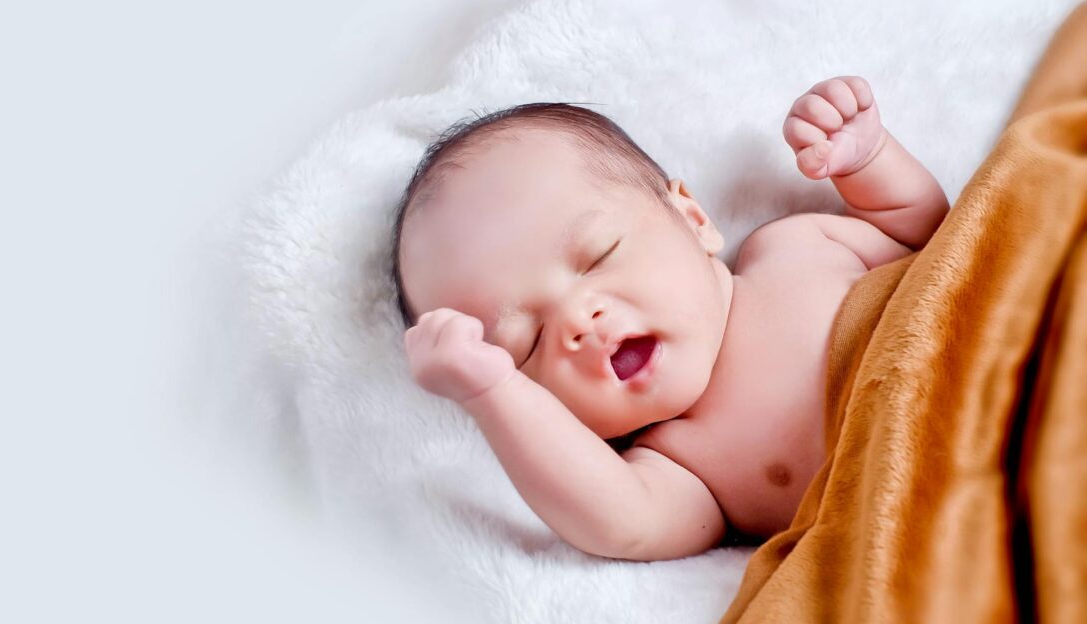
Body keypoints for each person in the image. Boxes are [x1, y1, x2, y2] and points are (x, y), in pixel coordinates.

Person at [391, 76, 949, 560]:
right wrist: (490, 393)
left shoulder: (796, 245)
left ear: (692, 216)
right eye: (526, 343)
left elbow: (929, 240)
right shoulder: (682, 467)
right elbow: (619, 523)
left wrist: (870, 158)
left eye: (598, 255)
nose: (580, 322)